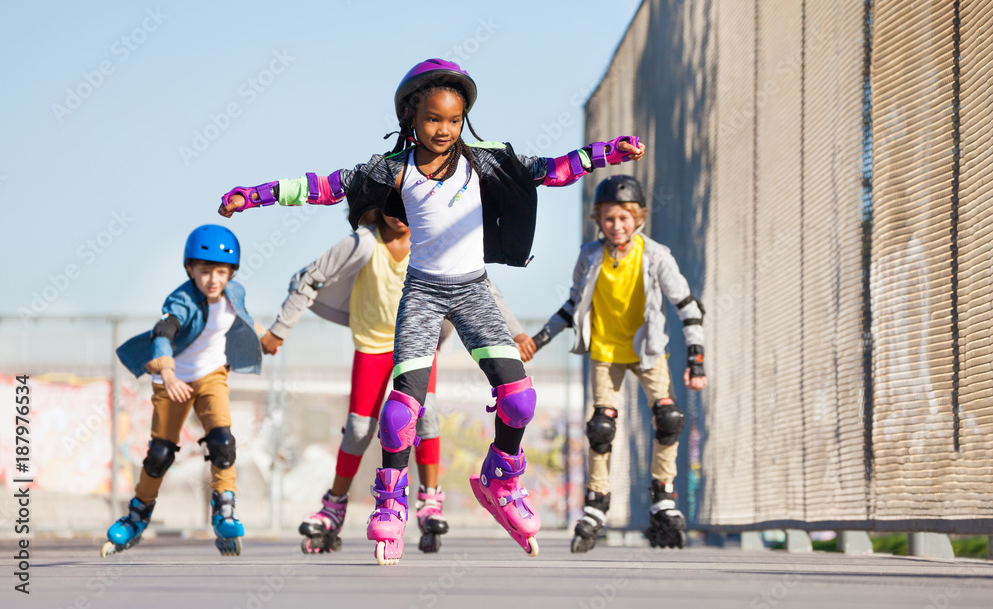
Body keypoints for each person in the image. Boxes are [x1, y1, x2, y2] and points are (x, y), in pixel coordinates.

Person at [217, 58, 643, 564]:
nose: (445, 129)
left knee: (520, 401)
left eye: (454, 120)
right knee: (402, 412)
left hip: (474, 291)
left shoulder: (483, 161)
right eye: (433, 119)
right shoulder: (392, 169)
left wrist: (605, 154)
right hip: (422, 294)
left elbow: (549, 171)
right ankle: (392, 502)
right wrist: (254, 197)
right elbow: (323, 185)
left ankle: (501, 479)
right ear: (411, 120)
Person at [261, 209, 530, 554]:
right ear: (373, 208)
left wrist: (515, 331)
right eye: (392, 210)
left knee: (426, 416)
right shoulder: (362, 243)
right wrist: (279, 329)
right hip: (373, 345)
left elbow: (480, 286)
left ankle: (429, 500)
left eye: (408, 209)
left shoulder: (431, 243)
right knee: (359, 429)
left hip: (418, 346)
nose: (401, 219)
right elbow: (311, 278)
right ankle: (335, 505)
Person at [529, 175, 706, 552]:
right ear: (599, 220)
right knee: (601, 427)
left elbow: (688, 306)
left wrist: (697, 358)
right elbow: (572, 306)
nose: (616, 225)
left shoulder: (656, 256)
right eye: (609, 218)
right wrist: (540, 338)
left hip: (648, 350)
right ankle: (597, 502)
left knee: (669, 417)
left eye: (624, 218)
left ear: (638, 217)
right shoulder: (589, 256)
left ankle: (663, 493)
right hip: (606, 351)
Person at [109, 225, 262, 558]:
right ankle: (137, 514)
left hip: (212, 377)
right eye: (205, 271)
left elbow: (242, 320)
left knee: (223, 442)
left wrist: (264, 340)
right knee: (161, 453)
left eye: (221, 272)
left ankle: (224, 509)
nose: (213, 280)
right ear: (190, 269)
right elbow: (164, 331)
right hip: (172, 378)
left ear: (231, 273)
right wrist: (167, 371)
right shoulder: (181, 299)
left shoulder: (236, 293)